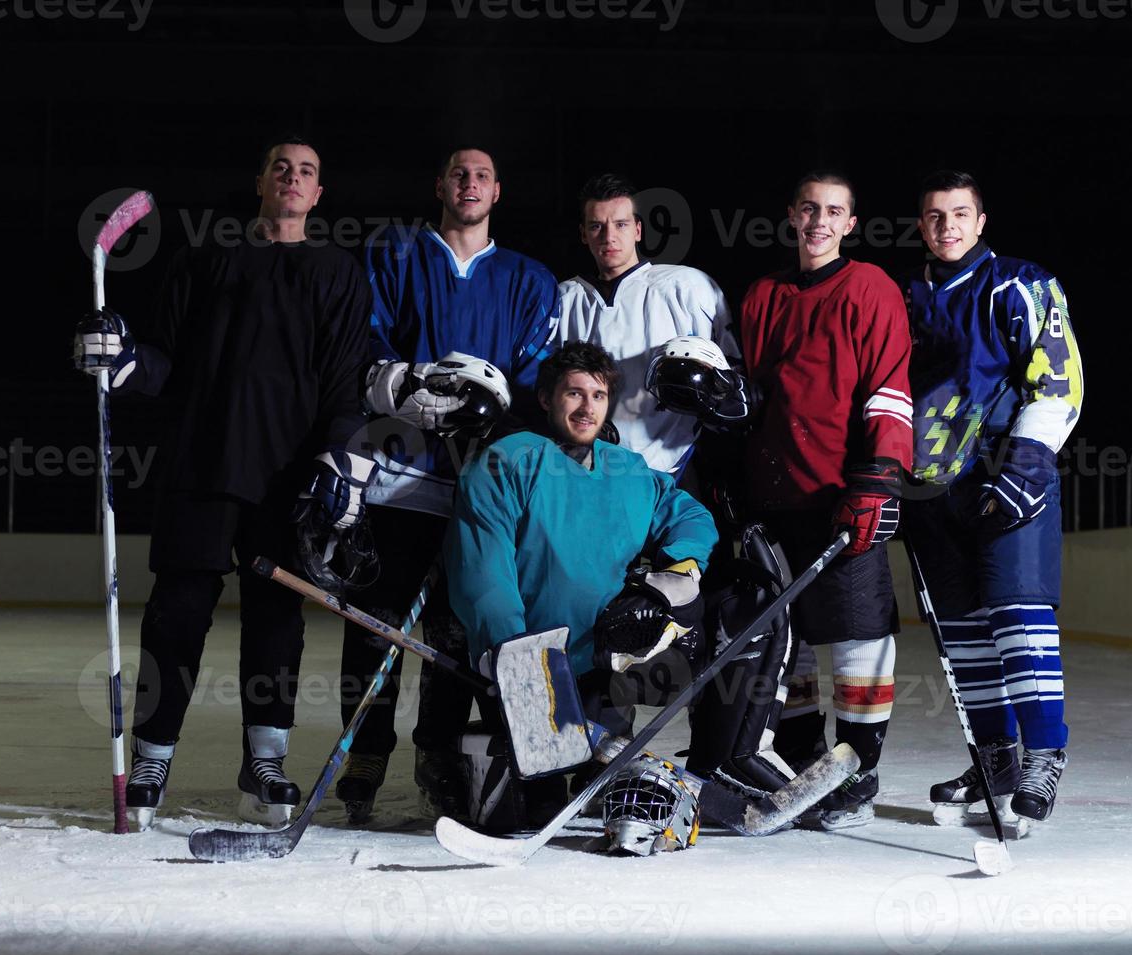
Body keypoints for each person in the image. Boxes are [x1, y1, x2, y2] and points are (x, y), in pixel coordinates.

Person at [73, 137, 374, 830]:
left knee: (276, 623)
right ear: (261, 182)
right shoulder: (203, 261)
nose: (292, 178)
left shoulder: (335, 271)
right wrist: (117, 359)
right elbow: (165, 365)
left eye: (306, 172)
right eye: (281, 167)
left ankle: (263, 761)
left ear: (319, 194)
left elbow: (343, 383)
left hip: (287, 482)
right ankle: (153, 754)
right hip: (199, 469)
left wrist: (337, 460)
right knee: (175, 617)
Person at [335, 146, 559, 822]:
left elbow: (536, 379)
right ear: (439, 185)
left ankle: (437, 754)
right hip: (399, 482)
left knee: (454, 637)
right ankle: (363, 755)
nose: (469, 184)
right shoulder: (393, 254)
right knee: (373, 629)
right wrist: (401, 387)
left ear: (498, 192)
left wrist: (498, 413)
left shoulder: (530, 279)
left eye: (482, 175)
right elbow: (363, 349)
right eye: (458, 173)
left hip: (479, 492)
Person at [902, 169, 1083, 824]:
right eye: (933, 215)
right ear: (921, 225)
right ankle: (994, 761)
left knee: (1017, 618)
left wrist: (1027, 464)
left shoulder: (1017, 283)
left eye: (958, 213)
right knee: (963, 637)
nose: (945, 225)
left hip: (1005, 476)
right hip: (930, 491)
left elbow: (1057, 375)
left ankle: (1042, 756)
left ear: (980, 222)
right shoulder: (904, 297)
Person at [736, 171, 913, 829]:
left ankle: (857, 769)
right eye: (808, 208)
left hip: (841, 498)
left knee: (858, 632)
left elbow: (888, 387)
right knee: (787, 645)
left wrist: (878, 477)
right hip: (773, 500)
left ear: (849, 224)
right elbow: (750, 398)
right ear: (790, 215)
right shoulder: (761, 295)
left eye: (832, 211)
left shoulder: (868, 288)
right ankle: (809, 764)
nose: (818, 220)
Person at [444, 339, 717, 705]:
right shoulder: (505, 462)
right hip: (524, 664)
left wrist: (682, 567)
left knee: (610, 760)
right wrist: (515, 659)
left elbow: (690, 515)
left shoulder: (628, 468)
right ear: (546, 398)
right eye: (575, 393)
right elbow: (483, 574)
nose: (588, 408)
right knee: (538, 761)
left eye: (599, 395)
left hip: (604, 664)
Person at [557, 173, 738, 475]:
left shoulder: (688, 287)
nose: (608, 236)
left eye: (621, 224)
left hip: (675, 463)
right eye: (596, 226)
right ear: (583, 234)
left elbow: (732, 376)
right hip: (589, 465)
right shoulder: (563, 299)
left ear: (638, 230)